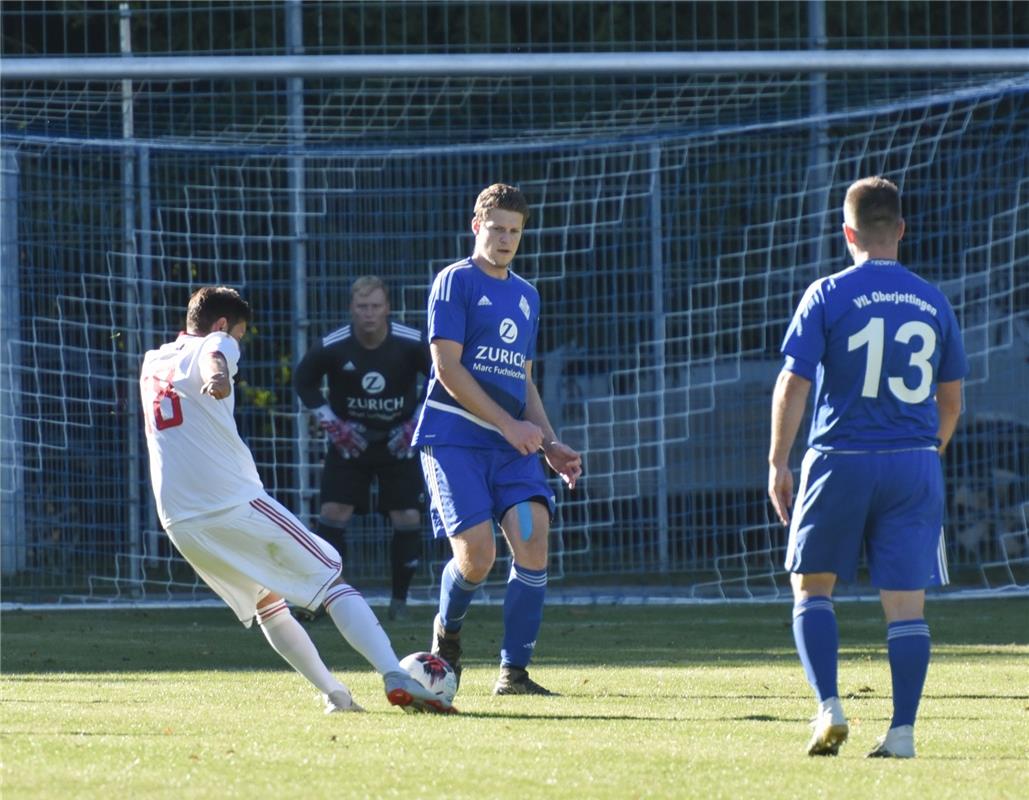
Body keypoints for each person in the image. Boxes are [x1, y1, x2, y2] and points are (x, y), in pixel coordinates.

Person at [139, 285, 454, 715]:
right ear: (221, 324)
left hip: (180, 519)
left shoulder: (153, 361)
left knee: (269, 603)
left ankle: (336, 695)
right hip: (232, 502)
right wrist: (218, 374)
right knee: (332, 579)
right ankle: (393, 674)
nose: (239, 343)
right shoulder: (220, 341)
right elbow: (217, 352)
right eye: (241, 334)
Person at [767, 177, 967, 758]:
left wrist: (779, 462)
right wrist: (928, 451)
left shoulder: (827, 292)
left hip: (839, 459)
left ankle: (828, 706)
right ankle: (902, 733)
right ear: (901, 230)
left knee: (811, 589)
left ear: (847, 232)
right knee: (907, 605)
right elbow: (951, 400)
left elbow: (793, 382)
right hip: (913, 464)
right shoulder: (933, 299)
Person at [413, 183, 583, 696]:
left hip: (513, 450)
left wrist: (549, 443)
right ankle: (449, 634)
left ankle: (514, 672)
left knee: (533, 542)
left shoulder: (527, 295)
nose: (506, 239)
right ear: (476, 226)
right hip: (455, 440)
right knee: (478, 557)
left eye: (515, 231)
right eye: (497, 229)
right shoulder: (455, 282)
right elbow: (446, 367)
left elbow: (522, 379)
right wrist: (509, 426)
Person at [294, 276, 430, 621]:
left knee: (408, 517)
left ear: (387, 308)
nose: (369, 314)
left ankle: (399, 602)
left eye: (375, 306)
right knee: (333, 514)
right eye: (361, 307)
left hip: (398, 444)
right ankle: (327, 599)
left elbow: (441, 377)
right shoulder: (334, 345)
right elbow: (303, 380)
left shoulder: (411, 342)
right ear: (351, 309)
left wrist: (417, 421)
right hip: (350, 445)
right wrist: (330, 423)